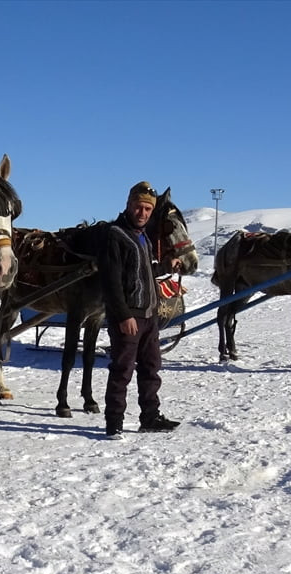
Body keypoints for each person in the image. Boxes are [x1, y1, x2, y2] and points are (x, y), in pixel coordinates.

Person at [98, 181, 181, 438]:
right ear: (128, 205)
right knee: (122, 370)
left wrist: (165, 265)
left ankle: (150, 417)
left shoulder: (142, 236)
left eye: (147, 209)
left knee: (150, 368)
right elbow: (111, 281)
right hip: (130, 317)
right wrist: (123, 315)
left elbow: (142, 273)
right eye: (138, 207)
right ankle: (114, 422)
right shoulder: (116, 235)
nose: (142, 213)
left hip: (148, 315)